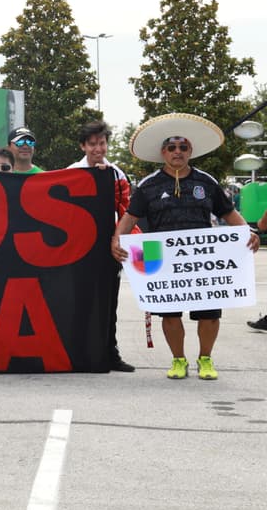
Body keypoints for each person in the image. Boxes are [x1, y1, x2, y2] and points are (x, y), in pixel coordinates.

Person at [111, 113, 260, 380]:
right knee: (169, 314)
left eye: (182, 147)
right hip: (163, 260)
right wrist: (116, 239)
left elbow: (230, 214)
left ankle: (205, 359)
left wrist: (247, 232)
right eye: (172, 147)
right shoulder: (148, 185)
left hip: (203, 261)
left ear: (190, 150)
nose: (177, 152)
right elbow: (129, 217)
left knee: (210, 314)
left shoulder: (207, 182)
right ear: (163, 152)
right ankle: (178, 360)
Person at [67, 119, 134, 372]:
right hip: (79, 251)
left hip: (108, 249)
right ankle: (77, 353)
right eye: (92, 144)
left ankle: (110, 353)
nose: (98, 149)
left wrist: (123, 243)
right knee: (80, 303)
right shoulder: (72, 171)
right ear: (83, 146)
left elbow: (127, 212)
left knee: (109, 305)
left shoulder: (116, 173)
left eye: (102, 143)